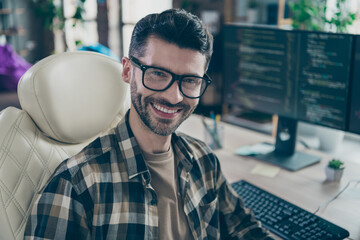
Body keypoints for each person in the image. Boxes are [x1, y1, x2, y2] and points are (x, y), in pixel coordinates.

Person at [24, 8, 273, 240]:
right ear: (127, 71)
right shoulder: (76, 183)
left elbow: (246, 229)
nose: (174, 97)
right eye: (157, 73)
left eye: (189, 80)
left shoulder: (203, 159)